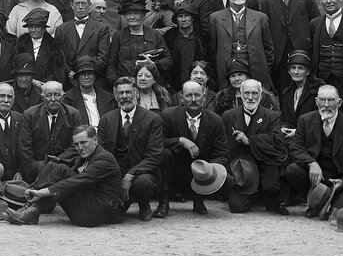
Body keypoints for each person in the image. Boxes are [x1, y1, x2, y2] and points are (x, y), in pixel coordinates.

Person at [3, 124, 124, 227]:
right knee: (53, 165)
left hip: (94, 214)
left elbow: (77, 181)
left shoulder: (105, 159)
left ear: (95, 140)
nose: (80, 148)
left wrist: (42, 192)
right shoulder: (85, 157)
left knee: (61, 170)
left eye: (83, 143)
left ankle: (31, 208)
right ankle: (30, 207)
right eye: (76, 144)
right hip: (87, 205)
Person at [285, 85, 343, 213]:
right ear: (316, 102)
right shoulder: (305, 120)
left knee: (340, 210)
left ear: (339, 103)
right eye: (322, 100)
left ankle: (332, 199)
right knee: (292, 170)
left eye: (331, 100)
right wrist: (311, 163)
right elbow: (295, 147)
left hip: (340, 177)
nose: (326, 105)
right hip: (315, 176)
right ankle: (314, 200)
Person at [159, 81, 230, 216]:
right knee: (164, 153)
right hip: (174, 168)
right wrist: (180, 140)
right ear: (181, 97)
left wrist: (209, 168)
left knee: (230, 182)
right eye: (188, 95)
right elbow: (156, 143)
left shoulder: (215, 120)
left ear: (204, 96)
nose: (193, 99)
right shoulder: (168, 115)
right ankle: (164, 202)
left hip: (201, 168)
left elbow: (223, 152)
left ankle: (199, 199)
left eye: (197, 95)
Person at [98, 76, 163, 221]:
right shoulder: (106, 120)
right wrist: (115, 176)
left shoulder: (152, 119)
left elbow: (155, 155)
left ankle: (144, 204)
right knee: (113, 217)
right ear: (115, 96)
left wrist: (130, 175)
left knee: (143, 183)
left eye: (128, 92)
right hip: (115, 172)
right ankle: (122, 203)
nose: (125, 97)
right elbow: (101, 152)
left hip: (141, 173)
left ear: (137, 94)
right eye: (120, 93)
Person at [221, 79, 288, 215]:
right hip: (241, 170)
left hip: (264, 166)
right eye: (246, 93)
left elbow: (277, 142)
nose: (250, 97)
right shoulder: (228, 116)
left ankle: (265, 194)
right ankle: (251, 194)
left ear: (261, 95)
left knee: (272, 197)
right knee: (236, 207)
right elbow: (223, 145)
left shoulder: (272, 116)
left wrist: (250, 141)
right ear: (240, 93)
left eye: (254, 93)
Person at [258, 0, 321, 95]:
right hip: (279, 56)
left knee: (305, 91)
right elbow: (265, 31)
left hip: (302, 52)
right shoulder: (267, 2)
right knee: (284, 92)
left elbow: (316, 25)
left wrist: (311, 48)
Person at [208, 0, 274, 89]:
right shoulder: (215, 18)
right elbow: (213, 49)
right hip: (227, 73)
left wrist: (265, 69)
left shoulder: (260, 18)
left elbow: (269, 50)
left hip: (255, 72)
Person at [19, 81, 81, 182]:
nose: (53, 99)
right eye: (48, 95)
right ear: (42, 98)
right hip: (37, 169)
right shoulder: (30, 115)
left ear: (63, 97)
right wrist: (36, 169)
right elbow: (25, 147)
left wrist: (60, 161)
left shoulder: (73, 114)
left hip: (65, 166)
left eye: (57, 95)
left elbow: (76, 144)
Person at [107, 0, 172, 84]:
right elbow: (111, 64)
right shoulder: (119, 36)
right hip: (126, 86)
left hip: (150, 85)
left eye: (136, 13)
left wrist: (154, 64)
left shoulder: (155, 35)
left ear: (143, 15)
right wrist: (117, 83)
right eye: (129, 14)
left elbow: (168, 60)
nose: (132, 17)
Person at [54, 0, 110, 89]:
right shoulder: (61, 29)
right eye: (77, 3)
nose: (80, 7)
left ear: (89, 6)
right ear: (72, 5)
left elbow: (102, 57)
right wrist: (70, 72)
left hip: (93, 79)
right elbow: (60, 57)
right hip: (69, 81)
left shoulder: (101, 28)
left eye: (83, 4)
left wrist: (85, 72)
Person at [164, 3, 209, 90]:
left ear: (192, 18)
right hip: (175, 83)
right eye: (180, 16)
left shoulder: (202, 36)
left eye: (187, 16)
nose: (183, 19)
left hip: (198, 81)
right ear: (176, 19)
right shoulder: (169, 37)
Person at [14, 8, 63, 84]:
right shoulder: (22, 44)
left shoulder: (53, 45)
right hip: (26, 86)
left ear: (43, 28)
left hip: (47, 87)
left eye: (36, 27)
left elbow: (57, 71)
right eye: (30, 27)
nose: (33, 30)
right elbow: (17, 68)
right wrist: (32, 81)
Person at [66, 57, 114, 127]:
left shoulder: (108, 98)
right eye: (82, 74)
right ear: (78, 77)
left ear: (95, 76)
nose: (86, 77)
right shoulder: (68, 99)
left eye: (90, 73)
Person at [279, 50, 320, 130]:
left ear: (307, 72)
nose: (296, 72)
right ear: (289, 71)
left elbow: (319, 121)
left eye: (300, 68)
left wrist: (297, 132)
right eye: (293, 68)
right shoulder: (287, 92)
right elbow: (284, 118)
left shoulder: (317, 91)